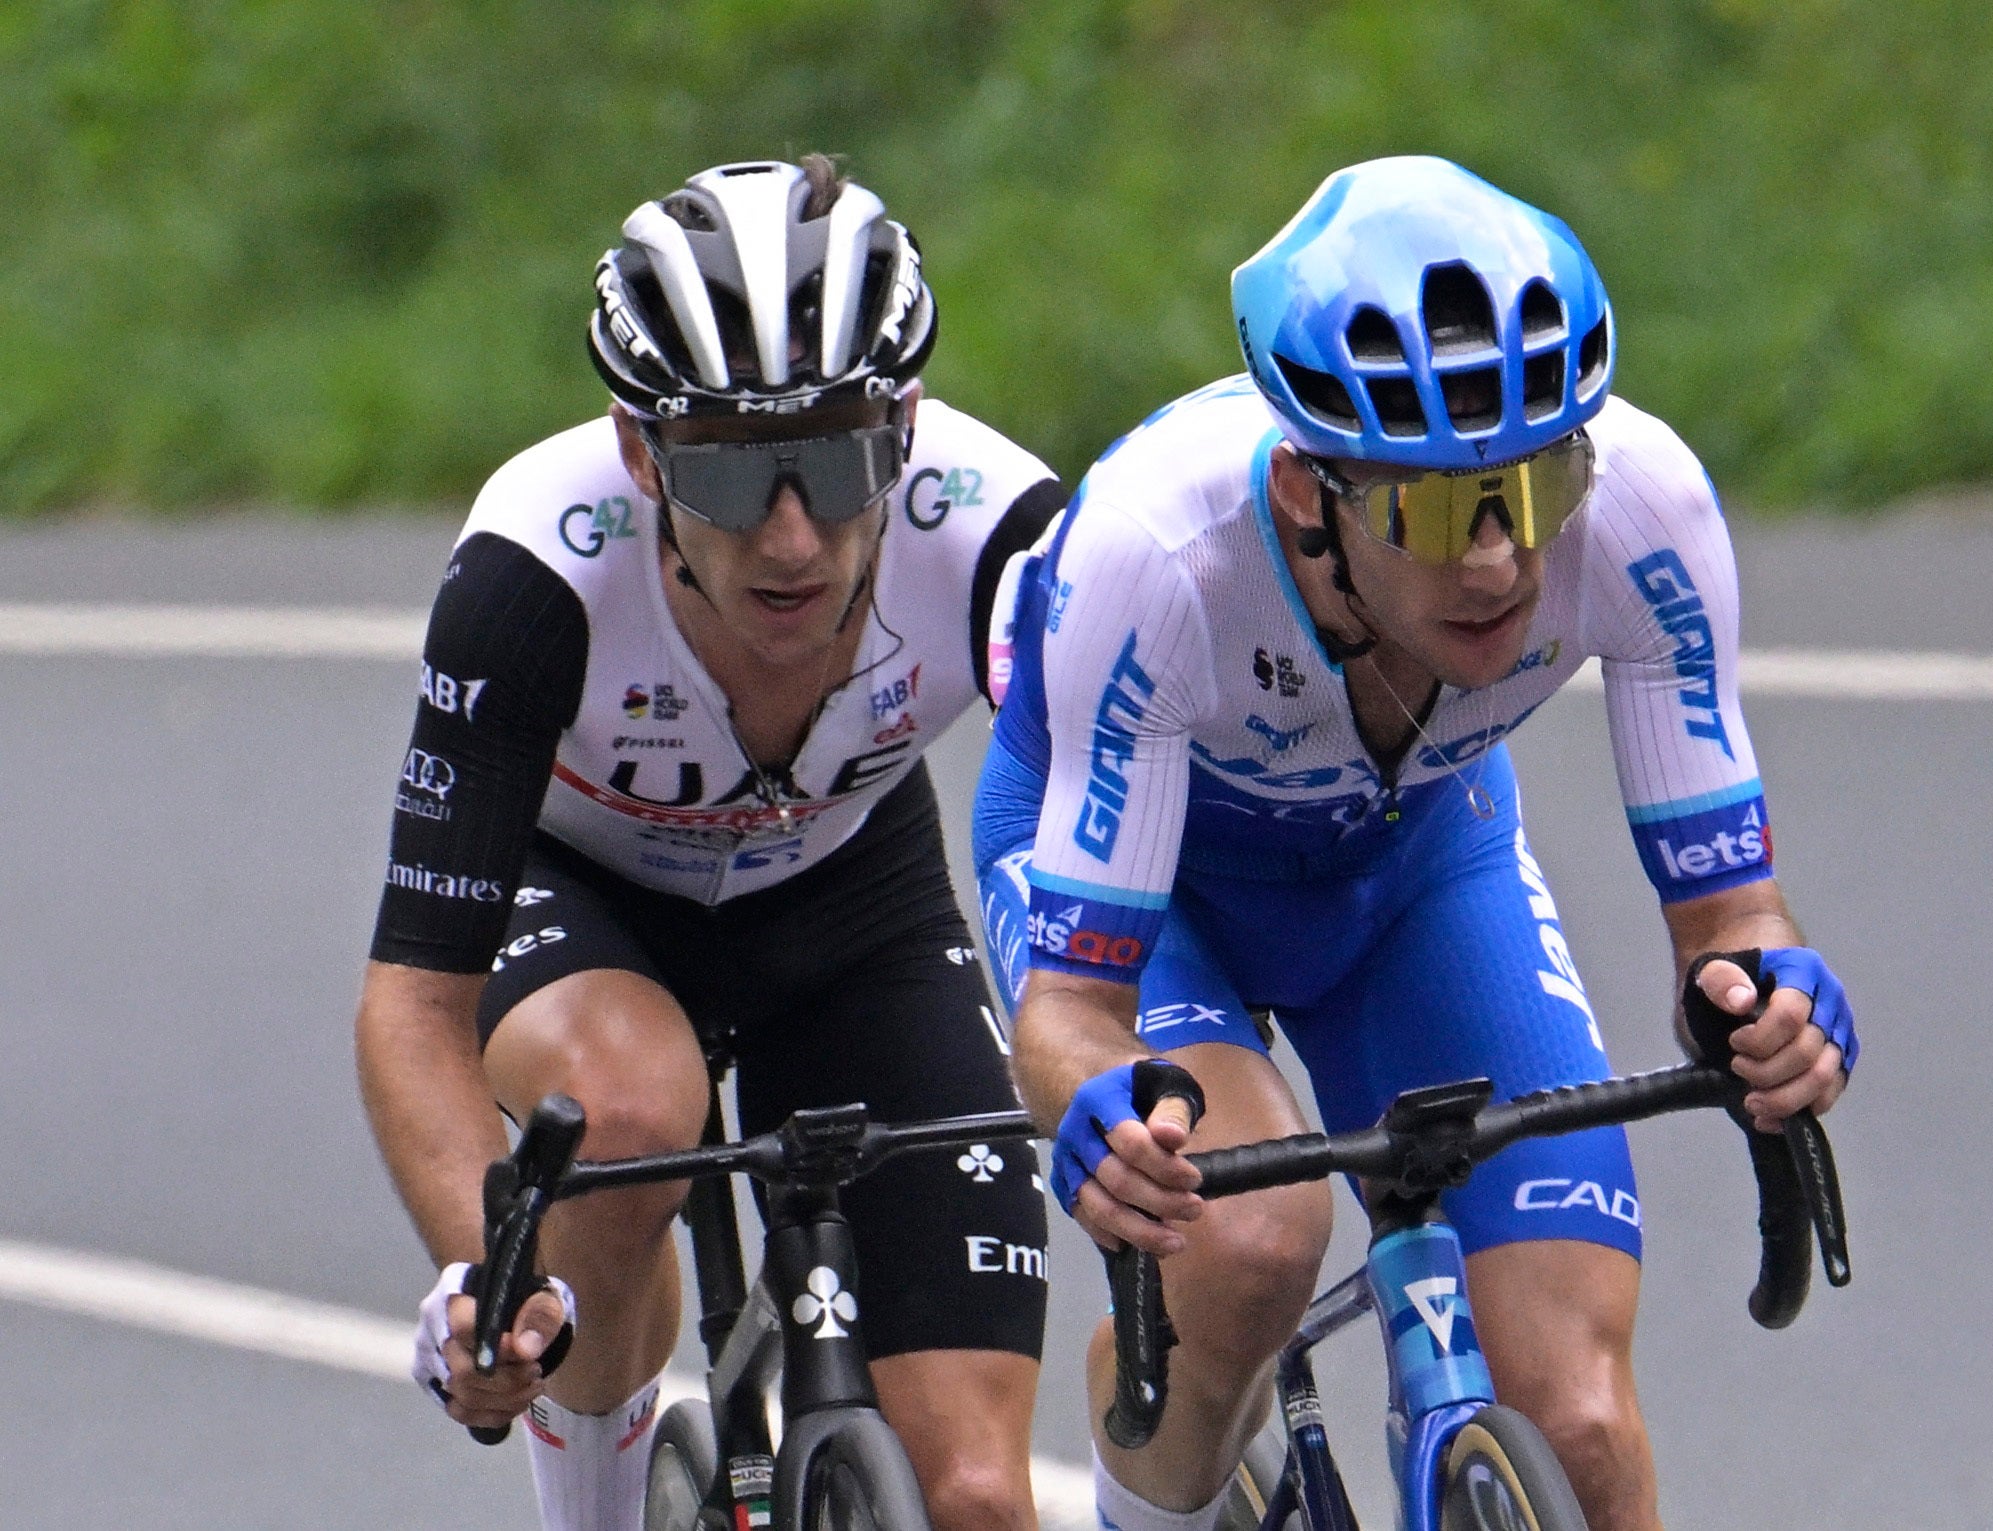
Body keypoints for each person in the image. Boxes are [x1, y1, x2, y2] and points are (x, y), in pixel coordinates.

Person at [972, 155, 1856, 1531]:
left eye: (1535, 481)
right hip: (1160, 896)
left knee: (1578, 1425)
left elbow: (1732, 922)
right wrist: (1100, 1115)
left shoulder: (1643, 511)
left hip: (1416, 865)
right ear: (1309, 492)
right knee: (1254, 1244)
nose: (1500, 561)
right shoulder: (1158, 554)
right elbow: (1072, 1019)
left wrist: (1775, 1002)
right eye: (1438, 509)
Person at [357, 156, 1062, 1531]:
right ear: (641, 454)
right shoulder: (532, 574)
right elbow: (415, 999)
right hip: (584, 899)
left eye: (834, 461)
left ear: (906, 430)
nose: (791, 536)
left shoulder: (1008, 538)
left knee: (974, 1493)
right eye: (734, 480)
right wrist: (488, 1287)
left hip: (857, 894)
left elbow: (1121, 832)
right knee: (628, 1112)